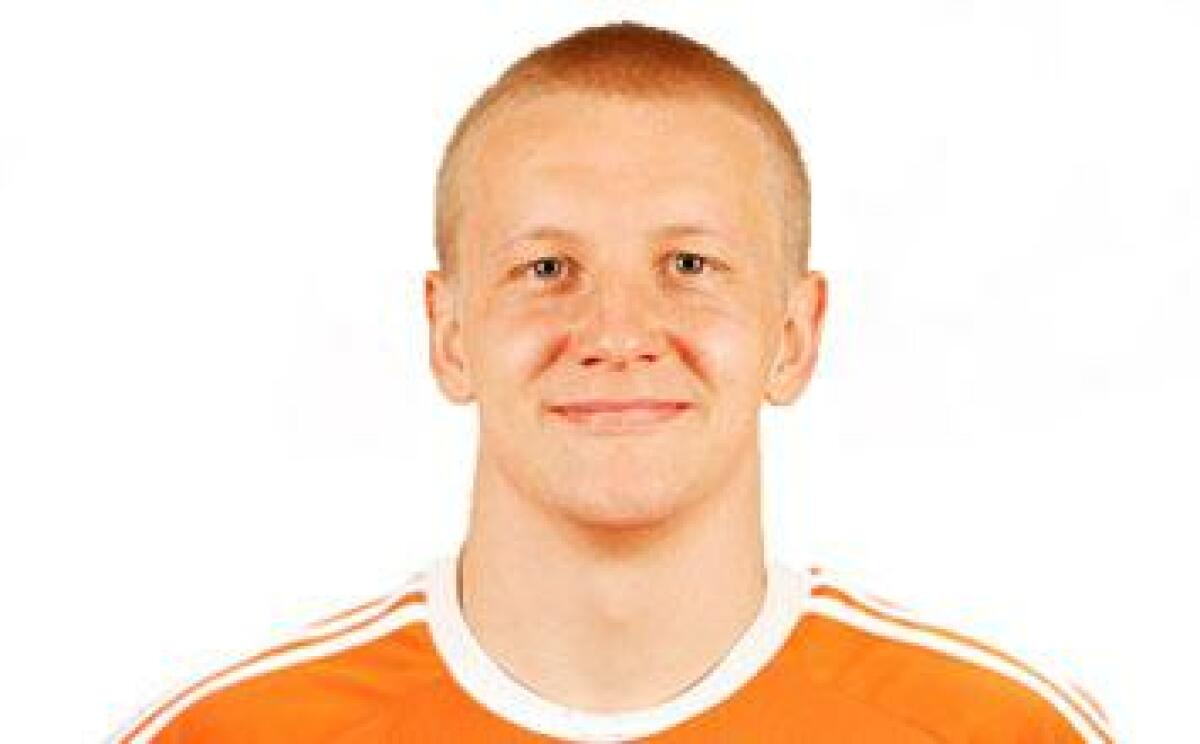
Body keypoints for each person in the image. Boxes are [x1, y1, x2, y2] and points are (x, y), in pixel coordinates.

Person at [112, 20, 1113, 743]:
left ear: (794, 334)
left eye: (690, 265)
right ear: (448, 333)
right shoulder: (230, 734)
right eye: (547, 267)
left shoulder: (1000, 732)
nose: (618, 333)